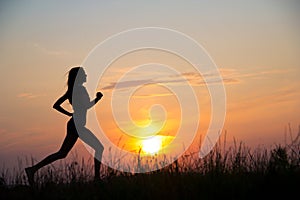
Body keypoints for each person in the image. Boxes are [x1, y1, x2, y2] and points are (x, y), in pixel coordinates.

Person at [25, 67, 104, 185]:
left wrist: (70, 114)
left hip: (74, 124)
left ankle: (33, 169)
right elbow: (86, 106)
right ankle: (97, 178)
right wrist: (97, 99)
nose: (86, 76)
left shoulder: (72, 90)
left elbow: (56, 105)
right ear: (79, 77)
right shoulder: (81, 89)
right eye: (84, 74)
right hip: (77, 126)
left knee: (62, 153)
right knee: (99, 148)